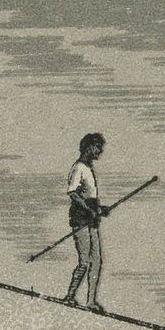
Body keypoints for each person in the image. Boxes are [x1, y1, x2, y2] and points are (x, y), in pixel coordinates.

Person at [63, 132, 110, 310]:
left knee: (96, 261)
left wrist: (99, 209)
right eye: (98, 146)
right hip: (80, 219)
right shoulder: (79, 168)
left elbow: (89, 196)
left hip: (91, 219)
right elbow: (73, 193)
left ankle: (90, 301)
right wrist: (90, 210)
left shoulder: (89, 169)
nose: (100, 150)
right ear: (89, 146)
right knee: (85, 261)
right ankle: (70, 295)